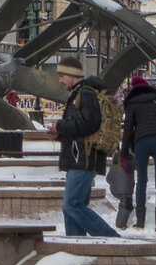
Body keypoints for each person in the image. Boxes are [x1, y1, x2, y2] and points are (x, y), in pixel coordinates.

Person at [47, 56, 119, 237]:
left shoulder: (85, 94)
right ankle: (76, 245)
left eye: (62, 75)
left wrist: (61, 126)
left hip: (84, 157)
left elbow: (90, 124)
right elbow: (81, 126)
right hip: (80, 156)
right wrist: (60, 133)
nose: (60, 80)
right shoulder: (80, 93)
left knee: (72, 205)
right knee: (72, 207)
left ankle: (110, 238)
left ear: (72, 75)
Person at [122, 75, 156, 232]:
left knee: (141, 180)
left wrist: (124, 153)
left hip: (141, 141)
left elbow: (127, 130)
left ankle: (140, 222)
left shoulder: (132, 103)